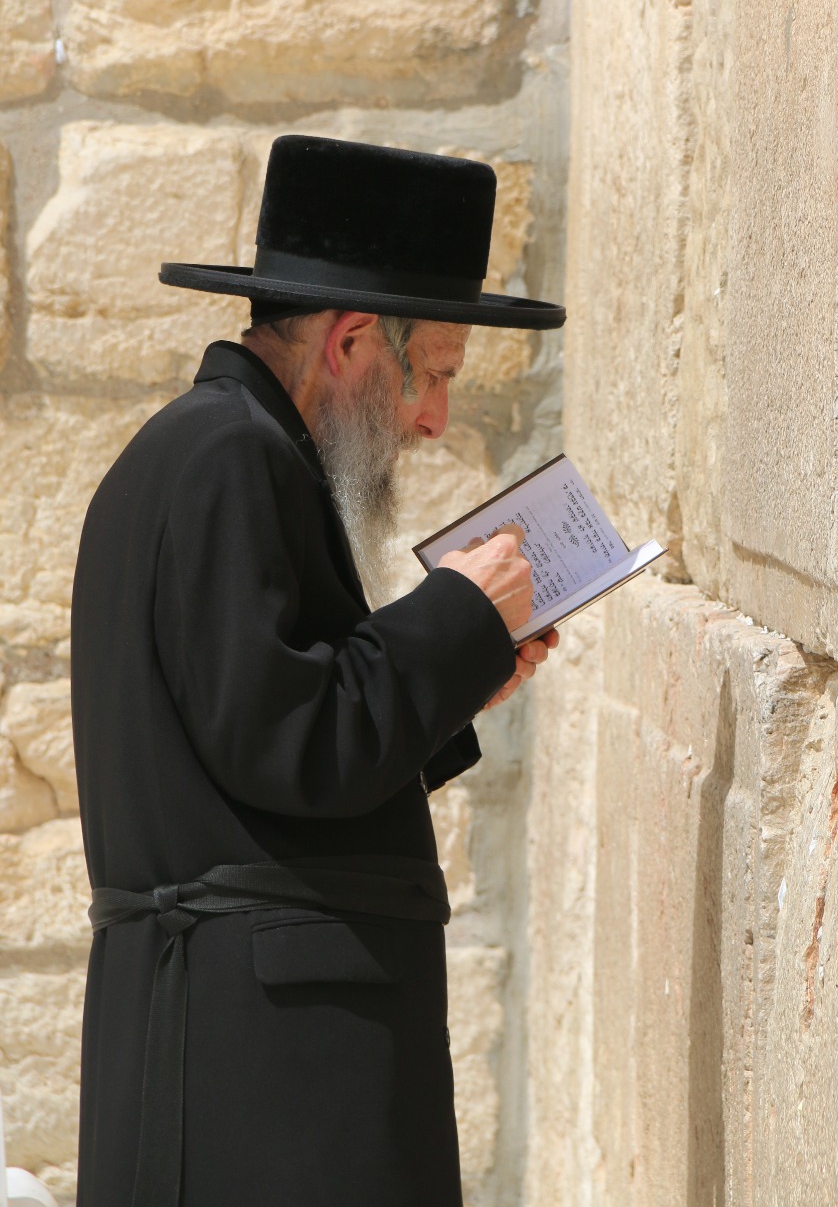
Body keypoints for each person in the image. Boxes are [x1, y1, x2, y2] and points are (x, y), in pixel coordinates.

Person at [70, 135, 566, 1207]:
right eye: (435, 374)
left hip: (240, 1053)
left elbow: (251, 745)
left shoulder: (217, 448)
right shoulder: (230, 454)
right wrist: (456, 614)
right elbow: (289, 741)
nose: (433, 419)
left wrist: (456, 681)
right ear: (350, 340)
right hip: (264, 1077)